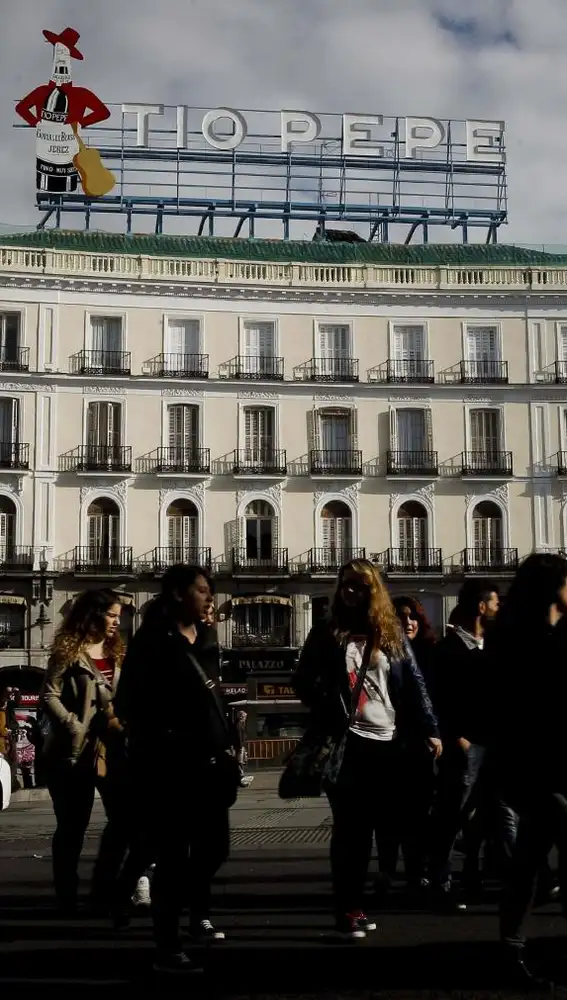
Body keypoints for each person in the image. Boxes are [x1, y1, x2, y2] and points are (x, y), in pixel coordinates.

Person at [293, 558, 441, 939]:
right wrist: (329, 696)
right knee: (350, 829)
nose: (350, 592)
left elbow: (414, 683)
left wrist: (430, 728)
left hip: (387, 741)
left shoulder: (390, 633)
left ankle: (363, 897)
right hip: (346, 742)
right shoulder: (327, 633)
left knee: (380, 827)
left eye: (359, 585)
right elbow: (302, 682)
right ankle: (348, 908)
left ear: (374, 590)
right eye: (345, 585)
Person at [114, 565, 238, 976]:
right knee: (171, 856)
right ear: (177, 594)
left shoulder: (207, 638)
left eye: (210, 591)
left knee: (215, 848)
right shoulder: (151, 642)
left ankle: (190, 908)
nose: (209, 597)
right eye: (202, 590)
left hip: (211, 764)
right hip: (169, 766)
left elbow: (214, 695)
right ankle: (167, 945)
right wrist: (164, 732)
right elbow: (128, 702)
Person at [487, 553, 567, 988]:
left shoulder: (547, 634)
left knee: (529, 862)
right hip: (535, 765)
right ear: (554, 588)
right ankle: (511, 950)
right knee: (532, 860)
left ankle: (511, 949)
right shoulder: (519, 639)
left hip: (545, 764)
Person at [39, 589, 127, 915]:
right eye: (112, 615)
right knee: (73, 826)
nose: (118, 621)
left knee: (124, 818)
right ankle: (67, 895)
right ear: (93, 614)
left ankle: (106, 888)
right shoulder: (67, 651)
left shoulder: (117, 652)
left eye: (119, 616)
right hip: (72, 751)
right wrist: (74, 725)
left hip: (110, 748)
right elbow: (49, 695)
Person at [425, 579, 500, 910]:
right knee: (452, 812)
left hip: (490, 743)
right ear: (481, 607)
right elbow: (439, 700)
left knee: (483, 816)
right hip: (464, 746)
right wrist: (458, 738)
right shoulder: (448, 650)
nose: (500, 609)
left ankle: (473, 875)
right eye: (496, 603)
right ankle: (441, 878)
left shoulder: (491, 647)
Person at [374, 596, 438, 895]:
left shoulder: (430, 653)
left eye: (413, 616)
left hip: (419, 743)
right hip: (390, 740)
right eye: (401, 617)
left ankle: (417, 871)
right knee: (387, 814)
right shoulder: (387, 654)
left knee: (418, 814)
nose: (408, 622)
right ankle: (387, 870)